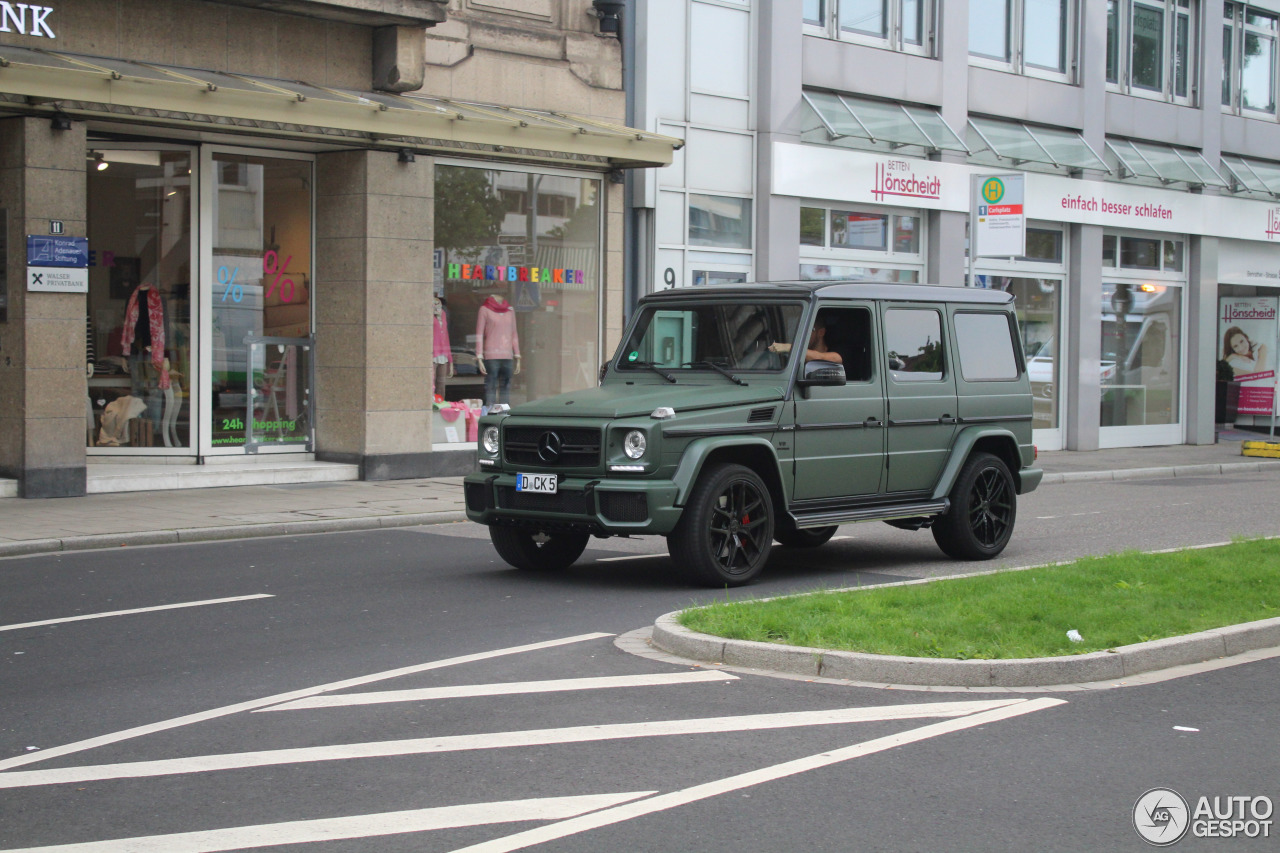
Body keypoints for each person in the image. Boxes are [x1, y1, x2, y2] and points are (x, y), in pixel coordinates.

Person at [767, 314, 843, 364]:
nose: (803, 333)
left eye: (808, 329)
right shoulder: (797, 355)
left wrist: (790, 348)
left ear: (821, 332)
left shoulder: (838, 350)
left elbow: (834, 358)